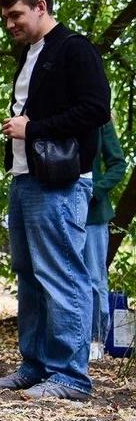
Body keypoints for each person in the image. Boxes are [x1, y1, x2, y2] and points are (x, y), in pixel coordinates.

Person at [0, 0, 111, 401]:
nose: (10, 24)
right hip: (26, 179)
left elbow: (96, 109)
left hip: (60, 183)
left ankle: (71, 376)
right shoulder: (31, 54)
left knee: (61, 275)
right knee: (29, 275)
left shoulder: (75, 49)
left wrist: (33, 127)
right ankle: (35, 365)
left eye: (16, 15)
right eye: (6, 17)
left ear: (41, 6)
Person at [83, 121, 126, 360]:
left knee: (94, 278)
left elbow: (118, 164)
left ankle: (95, 341)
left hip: (93, 214)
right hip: (63, 211)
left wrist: (95, 191)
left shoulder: (100, 121)